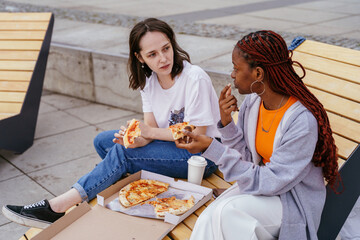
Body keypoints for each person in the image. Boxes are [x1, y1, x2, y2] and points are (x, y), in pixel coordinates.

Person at [2, 18, 220, 229]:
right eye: (152, 54)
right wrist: (136, 139)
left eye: (166, 48)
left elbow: (196, 136)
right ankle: (114, 178)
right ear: (140, 57)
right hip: (172, 147)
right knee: (103, 141)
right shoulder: (149, 82)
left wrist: (147, 134)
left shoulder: (194, 78)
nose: (163, 58)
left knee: (122, 154)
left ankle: (58, 207)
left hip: (200, 157)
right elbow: (150, 130)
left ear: (172, 44)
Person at [176, 30, 340, 240]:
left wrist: (211, 148)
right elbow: (247, 161)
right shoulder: (254, 104)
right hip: (261, 190)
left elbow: (271, 182)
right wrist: (226, 123)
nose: (232, 75)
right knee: (209, 217)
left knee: (227, 215)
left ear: (258, 74)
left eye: (236, 68)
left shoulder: (301, 121)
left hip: (290, 201)